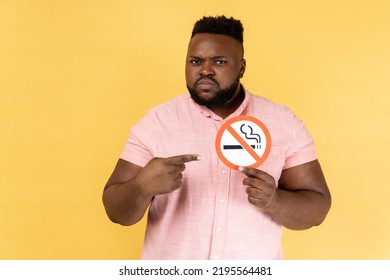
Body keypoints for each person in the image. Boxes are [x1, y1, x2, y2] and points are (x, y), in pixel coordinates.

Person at [103, 15, 331, 260]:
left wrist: (275, 201)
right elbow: (116, 212)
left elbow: (317, 208)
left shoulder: (283, 123)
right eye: (195, 61)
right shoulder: (157, 123)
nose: (205, 70)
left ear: (241, 67)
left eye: (219, 61)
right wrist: (141, 187)